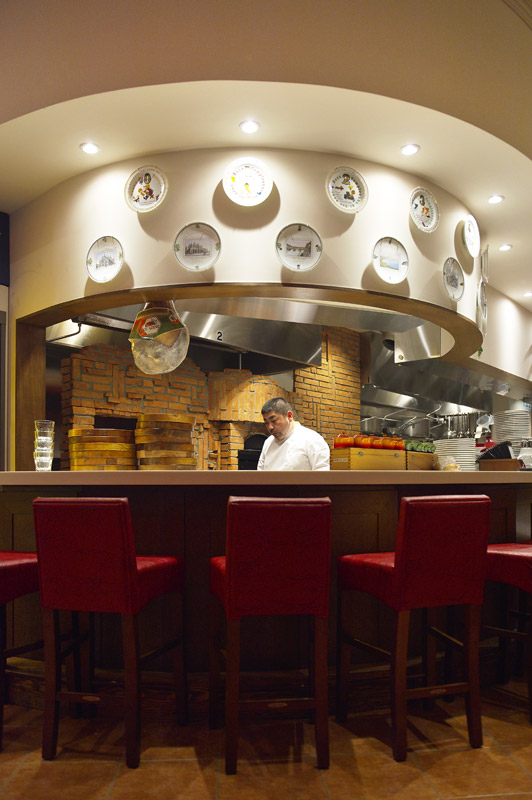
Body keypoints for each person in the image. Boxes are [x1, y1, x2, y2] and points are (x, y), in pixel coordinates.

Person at [257, 397, 330, 471]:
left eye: (274, 421)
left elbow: (322, 475)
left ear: (289, 416)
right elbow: (260, 474)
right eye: (266, 423)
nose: (270, 427)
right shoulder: (268, 442)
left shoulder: (312, 439)